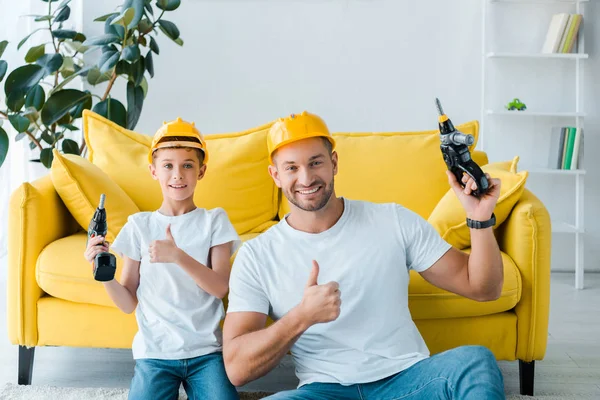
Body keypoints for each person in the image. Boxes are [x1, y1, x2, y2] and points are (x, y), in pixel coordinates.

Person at [222, 111, 505, 399]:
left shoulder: (392, 220)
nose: (306, 178)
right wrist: (302, 316)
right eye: (291, 168)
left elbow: (484, 288)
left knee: (475, 362)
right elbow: (237, 368)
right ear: (276, 175)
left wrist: (479, 218)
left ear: (334, 162)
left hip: (407, 381)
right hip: (323, 391)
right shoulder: (257, 255)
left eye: (315, 162)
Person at [84, 117, 240, 400]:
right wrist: (103, 273)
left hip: (206, 353)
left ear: (201, 171)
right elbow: (128, 302)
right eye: (168, 165)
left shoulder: (214, 221)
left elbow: (220, 287)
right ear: (153, 171)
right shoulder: (139, 226)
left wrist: (178, 256)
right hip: (155, 355)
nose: (177, 174)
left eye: (187, 165)